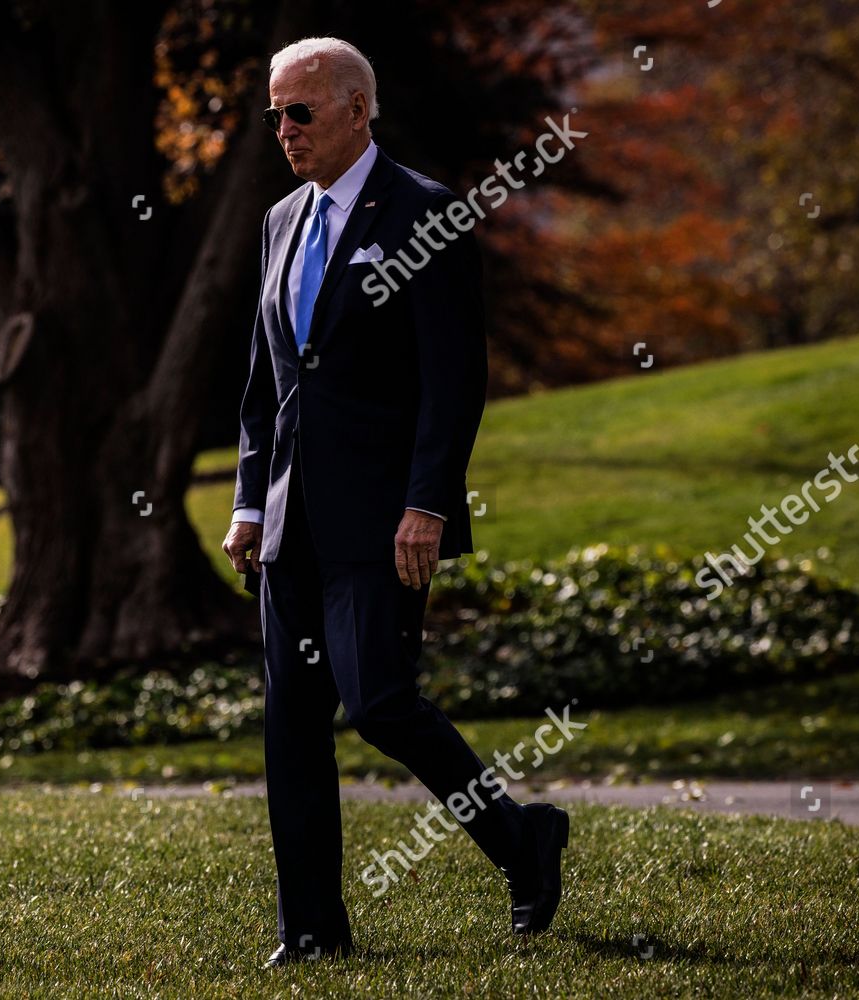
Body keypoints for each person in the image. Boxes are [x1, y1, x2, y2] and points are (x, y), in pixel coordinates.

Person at [220, 36, 569, 968]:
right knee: (292, 725)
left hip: (382, 521)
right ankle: (312, 933)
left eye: (300, 111)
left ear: (357, 108)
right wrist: (249, 504)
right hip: (288, 521)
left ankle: (520, 838)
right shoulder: (276, 223)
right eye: (274, 114)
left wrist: (429, 504)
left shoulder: (428, 214)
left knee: (378, 700)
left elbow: (452, 383)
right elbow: (266, 387)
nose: (282, 131)